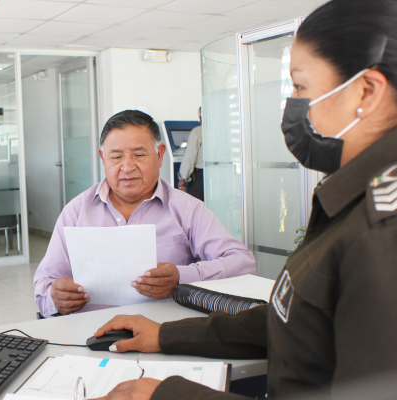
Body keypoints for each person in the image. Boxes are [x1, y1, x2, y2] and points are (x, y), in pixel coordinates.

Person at [90, 0, 397, 399]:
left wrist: (164, 395)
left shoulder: (382, 234)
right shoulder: (352, 200)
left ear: (367, 91)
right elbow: (294, 320)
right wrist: (166, 335)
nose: (291, 107)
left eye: (301, 87)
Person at [33, 110, 256, 317]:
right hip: (89, 331)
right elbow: (43, 284)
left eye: (139, 154)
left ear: (159, 155)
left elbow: (243, 263)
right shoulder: (76, 212)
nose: (127, 167)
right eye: (116, 157)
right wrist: (55, 297)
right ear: (103, 158)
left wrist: (182, 277)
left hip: (164, 331)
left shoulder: (186, 209)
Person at [178, 107, 204, 201]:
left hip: (200, 178)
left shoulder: (197, 132)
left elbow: (190, 157)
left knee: (195, 205)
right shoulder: (221, 131)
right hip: (219, 176)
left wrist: (182, 177)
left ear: (200, 117)